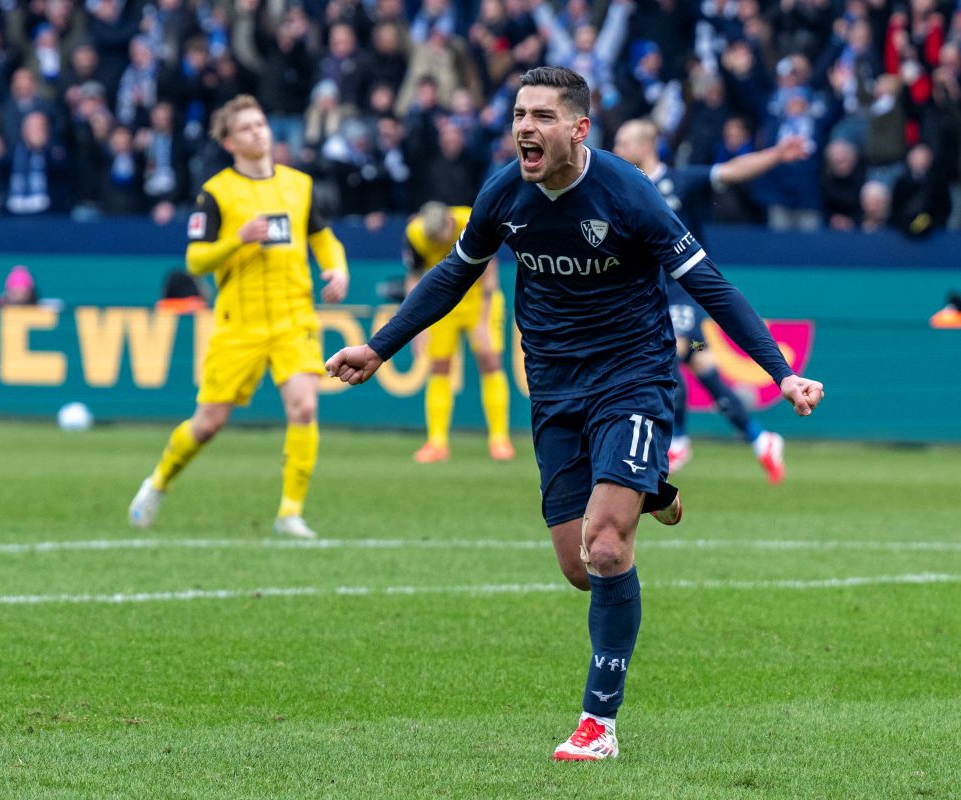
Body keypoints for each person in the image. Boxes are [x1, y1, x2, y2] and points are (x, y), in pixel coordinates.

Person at [326, 66, 823, 761]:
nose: (524, 127)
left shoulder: (628, 194)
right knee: (579, 565)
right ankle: (649, 491)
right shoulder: (504, 192)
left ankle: (598, 725)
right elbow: (453, 275)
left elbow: (707, 282)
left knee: (609, 546)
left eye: (542, 116)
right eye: (519, 115)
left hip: (633, 376)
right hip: (554, 383)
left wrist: (782, 371)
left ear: (579, 129)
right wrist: (379, 347)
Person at [129, 95, 350, 539]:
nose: (258, 132)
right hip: (239, 322)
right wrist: (238, 240)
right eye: (246, 128)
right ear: (229, 141)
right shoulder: (216, 194)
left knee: (305, 406)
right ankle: (158, 482)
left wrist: (337, 267)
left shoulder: (298, 186)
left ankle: (290, 513)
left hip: (293, 315)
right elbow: (195, 261)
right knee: (208, 423)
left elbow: (322, 237)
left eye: (261, 124)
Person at [612, 117, 807, 480]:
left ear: (644, 146)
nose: (617, 149)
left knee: (668, 350)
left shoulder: (680, 181)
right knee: (699, 360)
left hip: (683, 290)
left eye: (623, 142)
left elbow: (732, 171)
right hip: (650, 293)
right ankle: (759, 437)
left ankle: (680, 440)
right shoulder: (625, 189)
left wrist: (778, 154)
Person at [403, 200, 514, 462]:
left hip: (477, 298)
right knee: (439, 366)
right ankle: (436, 442)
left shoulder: (469, 222)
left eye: (440, 240)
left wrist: (484, 322)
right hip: (442, 299)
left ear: (449, 224)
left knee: (490, 361)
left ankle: (499, 439)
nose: (437, 247)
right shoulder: (416, 234)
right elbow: (414, 277)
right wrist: (416, 326)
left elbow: (490, 270)